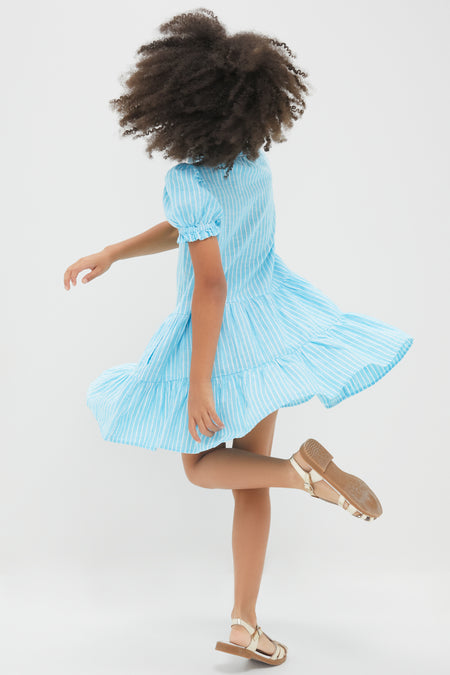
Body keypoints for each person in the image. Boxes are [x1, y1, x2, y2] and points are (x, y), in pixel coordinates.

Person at [63, 8, 414, 666]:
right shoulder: (253, 164)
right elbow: (190, 227)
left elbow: (211, 284)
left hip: (220, 341)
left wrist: (198, 381)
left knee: (202, 466)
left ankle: (300, 476)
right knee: (247, 481)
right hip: (269, 330)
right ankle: (245, 622)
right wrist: (114, 251)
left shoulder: (186, 180)